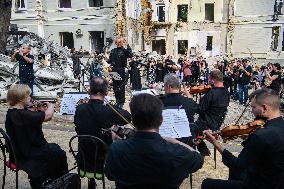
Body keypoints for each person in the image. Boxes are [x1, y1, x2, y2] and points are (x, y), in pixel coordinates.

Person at [105, 94, 204, 189]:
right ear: (161, 120)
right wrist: (174, 141)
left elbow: (110, 175)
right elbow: (199, 159)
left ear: (133, 121)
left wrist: (115, 143)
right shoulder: (176, 153)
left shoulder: (116, 149)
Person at [202, 88, 284, 189]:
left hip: (259, 184)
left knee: (207, 183)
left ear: (264, 108)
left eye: (253, 107)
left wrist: (215, 143)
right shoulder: (278, 126)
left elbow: (237, 165)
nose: (252, 111)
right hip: (277, 180)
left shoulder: (260, 135)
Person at [5, 84, 68, 189]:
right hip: (27, 154)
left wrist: (35, 110)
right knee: (58, 152)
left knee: (54, 149)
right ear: (21, 99)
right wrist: (51, 106)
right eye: (28, 96)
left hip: (17, 152)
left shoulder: (12, 112)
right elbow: (47, 116)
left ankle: (52, 179)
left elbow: (30, 120)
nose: (30, 98)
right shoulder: (23, 115)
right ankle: (58, 182)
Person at [74, 76, 131, 178]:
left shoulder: (80, 109)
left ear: (90, 91)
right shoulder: (108, 110)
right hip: (102, 163)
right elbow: (127, 118)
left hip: (83, 160)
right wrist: (111, 105)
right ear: (106, 93)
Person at [190, 70, 230, 155]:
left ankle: (202, 150)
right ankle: (203, 150)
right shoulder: (226, 93)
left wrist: (189, 98)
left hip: (206, 124)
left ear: (212, 80)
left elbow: (199, 109)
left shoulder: (211, 93)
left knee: (190, 129)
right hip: (217, 124)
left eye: (209, 78)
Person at [108, 37, 133, 108]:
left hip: (121, 70)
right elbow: (110, 61)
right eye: (117, 42)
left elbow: (130, 55)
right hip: (114, 69)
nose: (118, 43)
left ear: (122, 43)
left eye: (120, 42)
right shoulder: (113, 51)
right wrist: (106, 60)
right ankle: (117, 100)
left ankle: (121, 102)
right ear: (115, 43)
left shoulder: (124, 50)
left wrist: (127, 45)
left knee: (121, 86)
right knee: (115, 86)